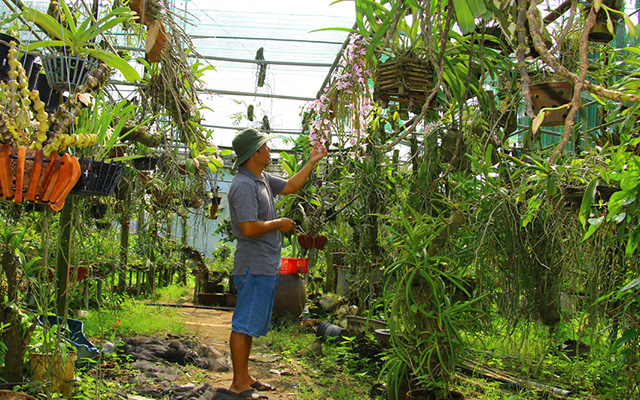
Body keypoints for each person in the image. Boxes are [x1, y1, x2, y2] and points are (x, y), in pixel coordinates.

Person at [226, 128, 327, 400]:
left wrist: (311, 161)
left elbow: (292, 186)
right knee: (243, 323)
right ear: (254, 154)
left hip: (265, 264)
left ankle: (245, 376)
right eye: (266, 147)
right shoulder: (244, 186)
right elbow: (248, 228)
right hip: (253, 264)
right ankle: (238, 385)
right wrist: (279, 224)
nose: (270, 151)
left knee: (249, 323)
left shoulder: (262, 179)